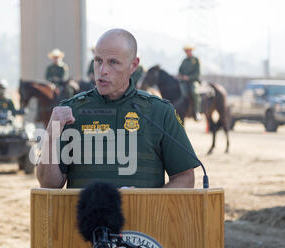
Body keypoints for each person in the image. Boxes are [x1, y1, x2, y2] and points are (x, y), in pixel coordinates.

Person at [36, 29, 199, 189]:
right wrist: (51, 134)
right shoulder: (70, 110)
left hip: (142, 216)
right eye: (98, 61)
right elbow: (49, 184)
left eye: (113, 62)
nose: (103, 71)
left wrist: (149, 206)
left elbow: (185, 177)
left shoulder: (160, 112)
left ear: (133, 65)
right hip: (84, 215)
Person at [178, 45, 202, 121]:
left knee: (194, 92)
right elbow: (180, 70)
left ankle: (197, 111)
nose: (187, 52)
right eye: (186, 51)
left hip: (193, 81)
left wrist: (189, 77)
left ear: (191, 51)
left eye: (189, 50)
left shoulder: (196, 60)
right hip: (184, 82)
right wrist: (181, 75)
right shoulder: (184, 61)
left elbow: (198, 73)